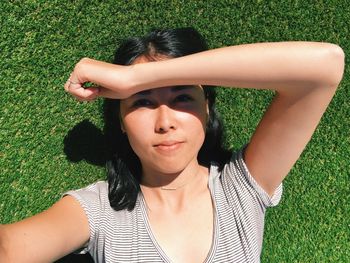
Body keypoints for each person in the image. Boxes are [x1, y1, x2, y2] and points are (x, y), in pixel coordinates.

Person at [0, 28, 344, 263]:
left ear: (207, 107)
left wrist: (137, 79)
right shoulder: (99, 210)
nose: (165, 121)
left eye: (182, 97)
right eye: (142, 103)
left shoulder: (241, 187)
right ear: (121, 122)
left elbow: (324, 65)